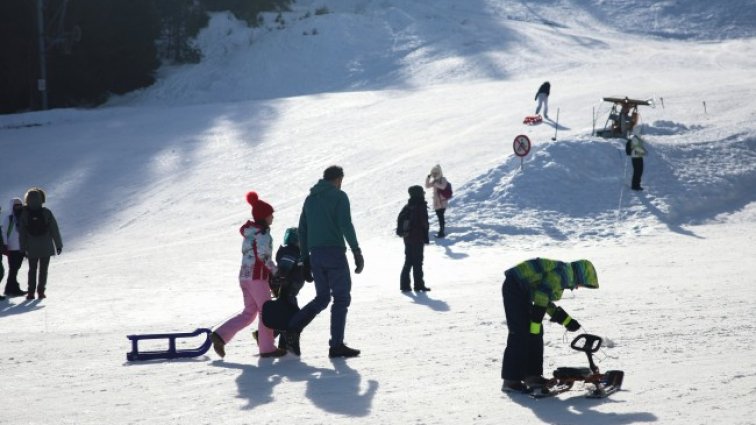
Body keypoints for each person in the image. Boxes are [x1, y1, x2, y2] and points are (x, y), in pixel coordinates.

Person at [283, 165, 364, 358]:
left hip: (316, 255)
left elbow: (302, 230)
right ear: (338, 179)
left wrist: (304, 260)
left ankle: (292, 328)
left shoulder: (310, 200)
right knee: (341, 298)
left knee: (322, 298)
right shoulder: (339, 196)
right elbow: (345, 224)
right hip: (335, 253)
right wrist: (356, 250)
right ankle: (336, 345)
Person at [500, 258, 599, 393]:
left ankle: (532, 376)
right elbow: (542, 295)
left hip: (524, 291)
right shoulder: (561, 274)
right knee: (520, 333)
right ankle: (511, 381)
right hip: (514, 287)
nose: (577, 287)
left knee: (535, 333)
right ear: (580, 275)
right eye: (581, 284)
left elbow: (544, 299)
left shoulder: (564, 275)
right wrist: (535, 321)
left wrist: (567, 321)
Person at [211, 191, 287, 359]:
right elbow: (263, 256)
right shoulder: (263, 234)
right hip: (257, 278)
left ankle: (220, 335)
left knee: (249, 313)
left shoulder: (250, 233)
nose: (272, 217)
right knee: (266, 312)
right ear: (263, 217)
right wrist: (276, 272)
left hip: (245, 277)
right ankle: (267, 348)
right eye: (270, 215)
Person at [19, 187, 62, 300]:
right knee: (43, 270)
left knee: (32, 270)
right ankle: (41, 291)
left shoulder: (24, 214)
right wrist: (58, 245)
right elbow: (54, 230)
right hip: (46, 246)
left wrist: (22, 248)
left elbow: (22, 233)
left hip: (32, 247)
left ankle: (31, 292)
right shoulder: (46, 212)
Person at [399, 185, 430, 292]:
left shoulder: (407, 206)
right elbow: (424, 223)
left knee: (409, 260)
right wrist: (425, 235)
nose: (423, 194)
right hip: (417, 237)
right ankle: (419, 285)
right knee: (418, 261)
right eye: (422, 192)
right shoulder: (420, 206)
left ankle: (404, 285)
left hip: (407, 238)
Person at [3, 198, 27, 297]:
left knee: (16, 268)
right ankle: (12, 289)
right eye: (16, 205)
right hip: (12, 248)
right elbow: (4, 232)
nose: (18, 207)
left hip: (21, 247)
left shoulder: (23, 217)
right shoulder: (8, 218)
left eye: (20, 205)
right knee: (13, 269)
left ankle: (10, 288)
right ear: (12, 206)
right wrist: (5, 245)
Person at [425, 164, 450, 238]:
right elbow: (427, 186)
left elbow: (443, 187)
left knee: (440, 216)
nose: (435, 175)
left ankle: (441, 232)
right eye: (433, 173)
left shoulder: (443, 179)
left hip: (442, 201)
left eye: (436, 173)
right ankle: (441, 231)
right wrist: (428, 178)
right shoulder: (434, 180)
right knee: (440, 216)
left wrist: (436, 184)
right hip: (436, 202)